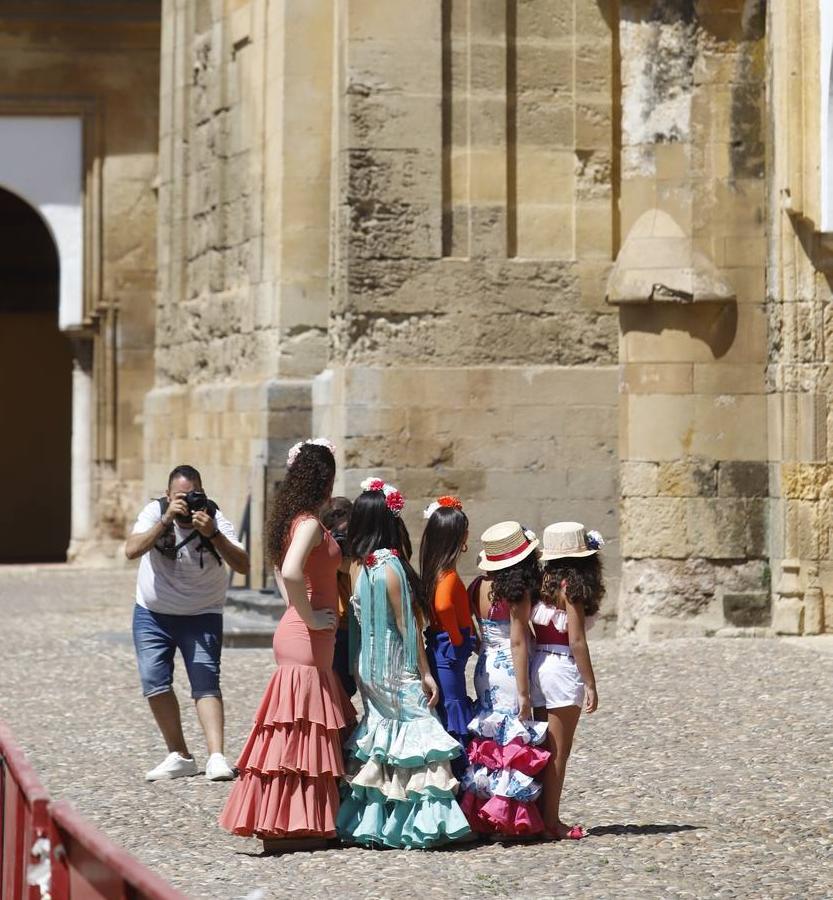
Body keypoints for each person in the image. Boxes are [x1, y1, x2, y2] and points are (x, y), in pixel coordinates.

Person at [219, 439, 355, 850]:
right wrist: (309, 614)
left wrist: (296, 607)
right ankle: (296, 825)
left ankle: (294, 822)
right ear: (323, 478)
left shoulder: (296, 520)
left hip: (303, 632)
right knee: (300, 730)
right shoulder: (310, 523)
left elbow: (282, 569)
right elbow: (292, 570)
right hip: (307, 635)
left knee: (296, 731)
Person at [336, 478, 470, 848]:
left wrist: (356, 669)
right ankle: (421, 821)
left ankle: (375, 822)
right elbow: (406, 626)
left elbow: (358, 623)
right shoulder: (392, 566)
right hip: (396, 663)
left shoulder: (356, 568)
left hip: (368, 664)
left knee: (383, 739)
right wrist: (425, 673)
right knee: (418, 735)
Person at [125, 464, 250, 782]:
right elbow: (131, 550)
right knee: (154, 681)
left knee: (205, 681)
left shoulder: (214, 516)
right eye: (181, 496)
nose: (188, 502)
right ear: (167, 496)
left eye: (195, 495)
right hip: (153, 613)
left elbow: (244, 564)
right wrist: (166, 519)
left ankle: (217, 757)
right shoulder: (155, 512)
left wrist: (214, 534)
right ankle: (178, 754)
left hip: (202, 613)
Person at [460, 521, 550, 838]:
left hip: (485, 666)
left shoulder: (477, 587)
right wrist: (525, 693)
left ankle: (482, 813)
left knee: (490, 738)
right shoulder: (517, 592)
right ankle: (509, 816)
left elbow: (478, 631)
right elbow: (517, 641)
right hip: (510, 669)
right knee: (512, 738)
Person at [531, 521, 603, 841]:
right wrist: (590, 682)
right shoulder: (570, 588)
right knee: (559, 752)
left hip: (537, 664)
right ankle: (551, 821)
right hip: (561, 667)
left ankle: (536, 814)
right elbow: (576, 640)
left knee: (541, 747)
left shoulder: (539, 582)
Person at [419, 495, 475, 776]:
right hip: (449, 647)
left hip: (444, 645)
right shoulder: (448, 576)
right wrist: (457, 637)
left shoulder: (437, 571)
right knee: (453, 707)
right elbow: (443, 605)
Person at [320, 496, 356, 698]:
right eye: (337, 534)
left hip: (352, 624)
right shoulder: (319, 549)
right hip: (329, 622)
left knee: (348, 686)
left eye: (347, 532)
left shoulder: (360, 550)